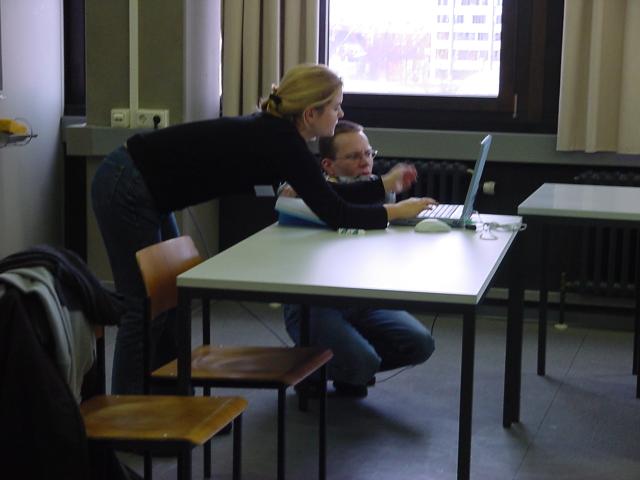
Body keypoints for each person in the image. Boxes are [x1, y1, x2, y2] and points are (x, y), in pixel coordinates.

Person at [91, 63, 436, 394]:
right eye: (335, 107)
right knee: (143, 307)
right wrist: (392, 211)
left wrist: (382, 185)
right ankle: (128, 411)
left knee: (169, 304)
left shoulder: (280, 136)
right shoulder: (280, 140)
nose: (341, 114)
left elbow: (325, 195)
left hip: (142, 185)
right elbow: (336, 212)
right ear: (310, 113)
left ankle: (168, 398)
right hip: (128, 183)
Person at [280, 120, 436, 398]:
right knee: (363, 361)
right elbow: (339, 207)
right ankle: (315, 367)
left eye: (368, 153)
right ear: (328, 166)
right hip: (315, 303)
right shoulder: (305, 195)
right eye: (354, 156)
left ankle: (343, 367)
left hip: (360, 298)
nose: (365, 162)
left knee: (420, 343)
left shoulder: (374, 189)